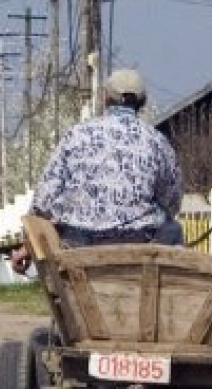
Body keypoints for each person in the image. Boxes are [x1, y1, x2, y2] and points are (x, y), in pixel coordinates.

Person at [12, 68, 183, 270]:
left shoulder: (76, 135)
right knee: (173, 229)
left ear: (106, 98)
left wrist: (28, 243)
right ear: (142, 103)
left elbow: (43, 200)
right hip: (140, 245)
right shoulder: (157, 141)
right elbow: (172, 199)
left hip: (79, 245)